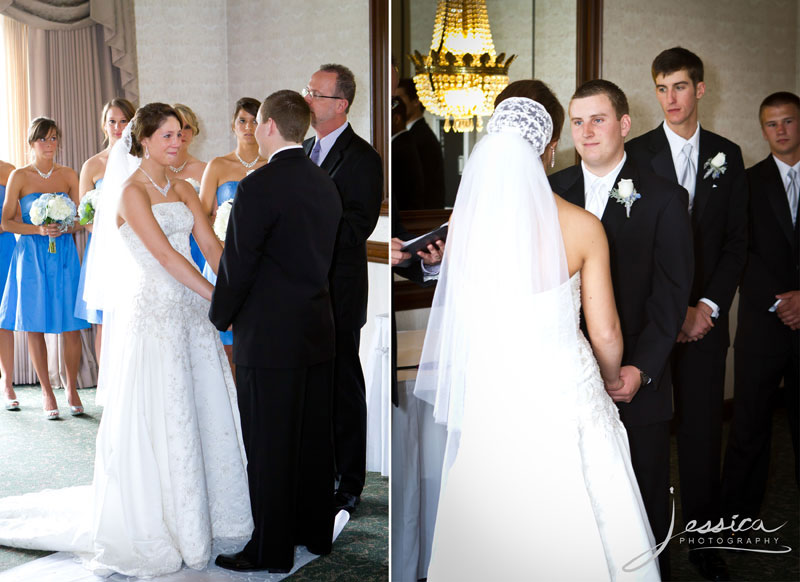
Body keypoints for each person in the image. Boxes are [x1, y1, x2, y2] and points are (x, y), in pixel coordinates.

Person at [0, 103, 253, 577]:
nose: (177, 143)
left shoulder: (181, 187)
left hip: (193, 313)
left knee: (205, 408)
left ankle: (210, 515)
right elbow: (162, 256)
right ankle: (163, 522)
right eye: (167, 137)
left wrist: (241, 287)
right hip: (154, 311)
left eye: (180, 135)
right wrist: (223, 301)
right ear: (142, 142)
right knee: (163, 411)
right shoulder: (130, 193)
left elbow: (211, 247)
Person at [416, 96, 661, 581]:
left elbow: (465, 317)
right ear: (549, 151)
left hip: (494, 390)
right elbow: (606, 331)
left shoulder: (468, 228)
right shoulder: (582, 227)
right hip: (564, 388)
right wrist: (612, 378)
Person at [549, 80, 694, 579]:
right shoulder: (551, 191)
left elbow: (672, 295)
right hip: (569, 378)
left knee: (644, 499)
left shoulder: (665, 197)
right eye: (578, 120)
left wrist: (642, 369)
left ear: (625, 125)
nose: (586, 131)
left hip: (638, 381)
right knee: (581, 497)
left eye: (599, 119)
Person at [625, 47, 748, 581]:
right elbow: (628, 247)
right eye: (660, 87)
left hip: (704, 324)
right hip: (652, 324)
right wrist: (669, 312)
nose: (669, 98)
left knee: (702, 435)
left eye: (678, 86)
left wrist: (707, 308)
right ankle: (647, 545)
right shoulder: (634, 154)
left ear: (700, 89)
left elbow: (736, 243)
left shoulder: (729, 154)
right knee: (647, 440)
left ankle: (704, 545)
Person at [211, 90, 341, 573]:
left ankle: (269, 550)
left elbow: (238, 269)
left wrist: (218, 317)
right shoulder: (324, 182)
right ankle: (314, 534)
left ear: (267, 125)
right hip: (316, 332)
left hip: (268, 339)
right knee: (311, 442)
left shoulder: (258, 187)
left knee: (268, 447)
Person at [302, 63, 383, 514]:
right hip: (305, 292)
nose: (307, 99)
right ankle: (322, 468)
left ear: (341, 104)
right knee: (315, 384)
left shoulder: (363, 158)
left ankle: (350, 480)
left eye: (315, 93)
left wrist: (302, 232)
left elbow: (356, 226)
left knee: (343, 386)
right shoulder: (307, 148)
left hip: (340, 291)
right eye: (307, 90)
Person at [721, 91, 800, 519]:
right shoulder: (748, 184)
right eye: (772, 124)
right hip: (762, 325)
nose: (781, 130)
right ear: (763, 129)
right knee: (749, 426)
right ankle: (737, 517)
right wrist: (782, 303)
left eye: (788, 121)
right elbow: (739, 252)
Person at [0, 117, 89, 419]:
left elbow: (83, 217)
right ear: (31, 144)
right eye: (43, 139)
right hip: (32, 257)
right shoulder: (19, 177)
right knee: (35, 324)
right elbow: (7, 221)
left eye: (53, 139)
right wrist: (37, 230)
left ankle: (72, 387)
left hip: (63, 254)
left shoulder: (68, 175)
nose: (49, 145)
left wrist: (65, 227)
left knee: (71, 325)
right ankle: (47, 392)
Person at [199, 97, 266, 370]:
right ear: (233, 125)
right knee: (225, 346)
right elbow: (201, 214)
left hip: (261, 262)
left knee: (256, 341)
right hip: (223, 258)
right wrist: (217, 242)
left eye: (254, 121)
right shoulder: (218, 165)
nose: (248, 127)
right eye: (242, 120)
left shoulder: (270, 164)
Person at [76, 98, 136, 363]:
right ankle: (106, 391)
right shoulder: (92, 165)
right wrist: (106, 235)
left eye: (123, 121)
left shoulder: (140, 160)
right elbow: (84, 216)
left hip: (136, 247)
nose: (118, 127)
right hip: (104, 249)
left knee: (134, 316)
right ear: (104, 125)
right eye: (112, 121)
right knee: (103, 320)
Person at [396, 78, 445, 208]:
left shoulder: (421, 138)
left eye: (399, 98)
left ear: (416, 101)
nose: (396, 104)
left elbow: (425, 188)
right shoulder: (414, 135)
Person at [171, 103, 208, 270]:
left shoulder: (205, 169)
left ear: (194, 132)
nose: (182, 133)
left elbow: (210, 214)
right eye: (178, 127)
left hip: (198, 244)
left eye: (187, 127)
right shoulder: (156, 170)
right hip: (165, 241)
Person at [0, 159, 16, 411]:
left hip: (4, 248)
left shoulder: (9, 170)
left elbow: (16, 213)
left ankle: (8, 384)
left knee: (3, 319)